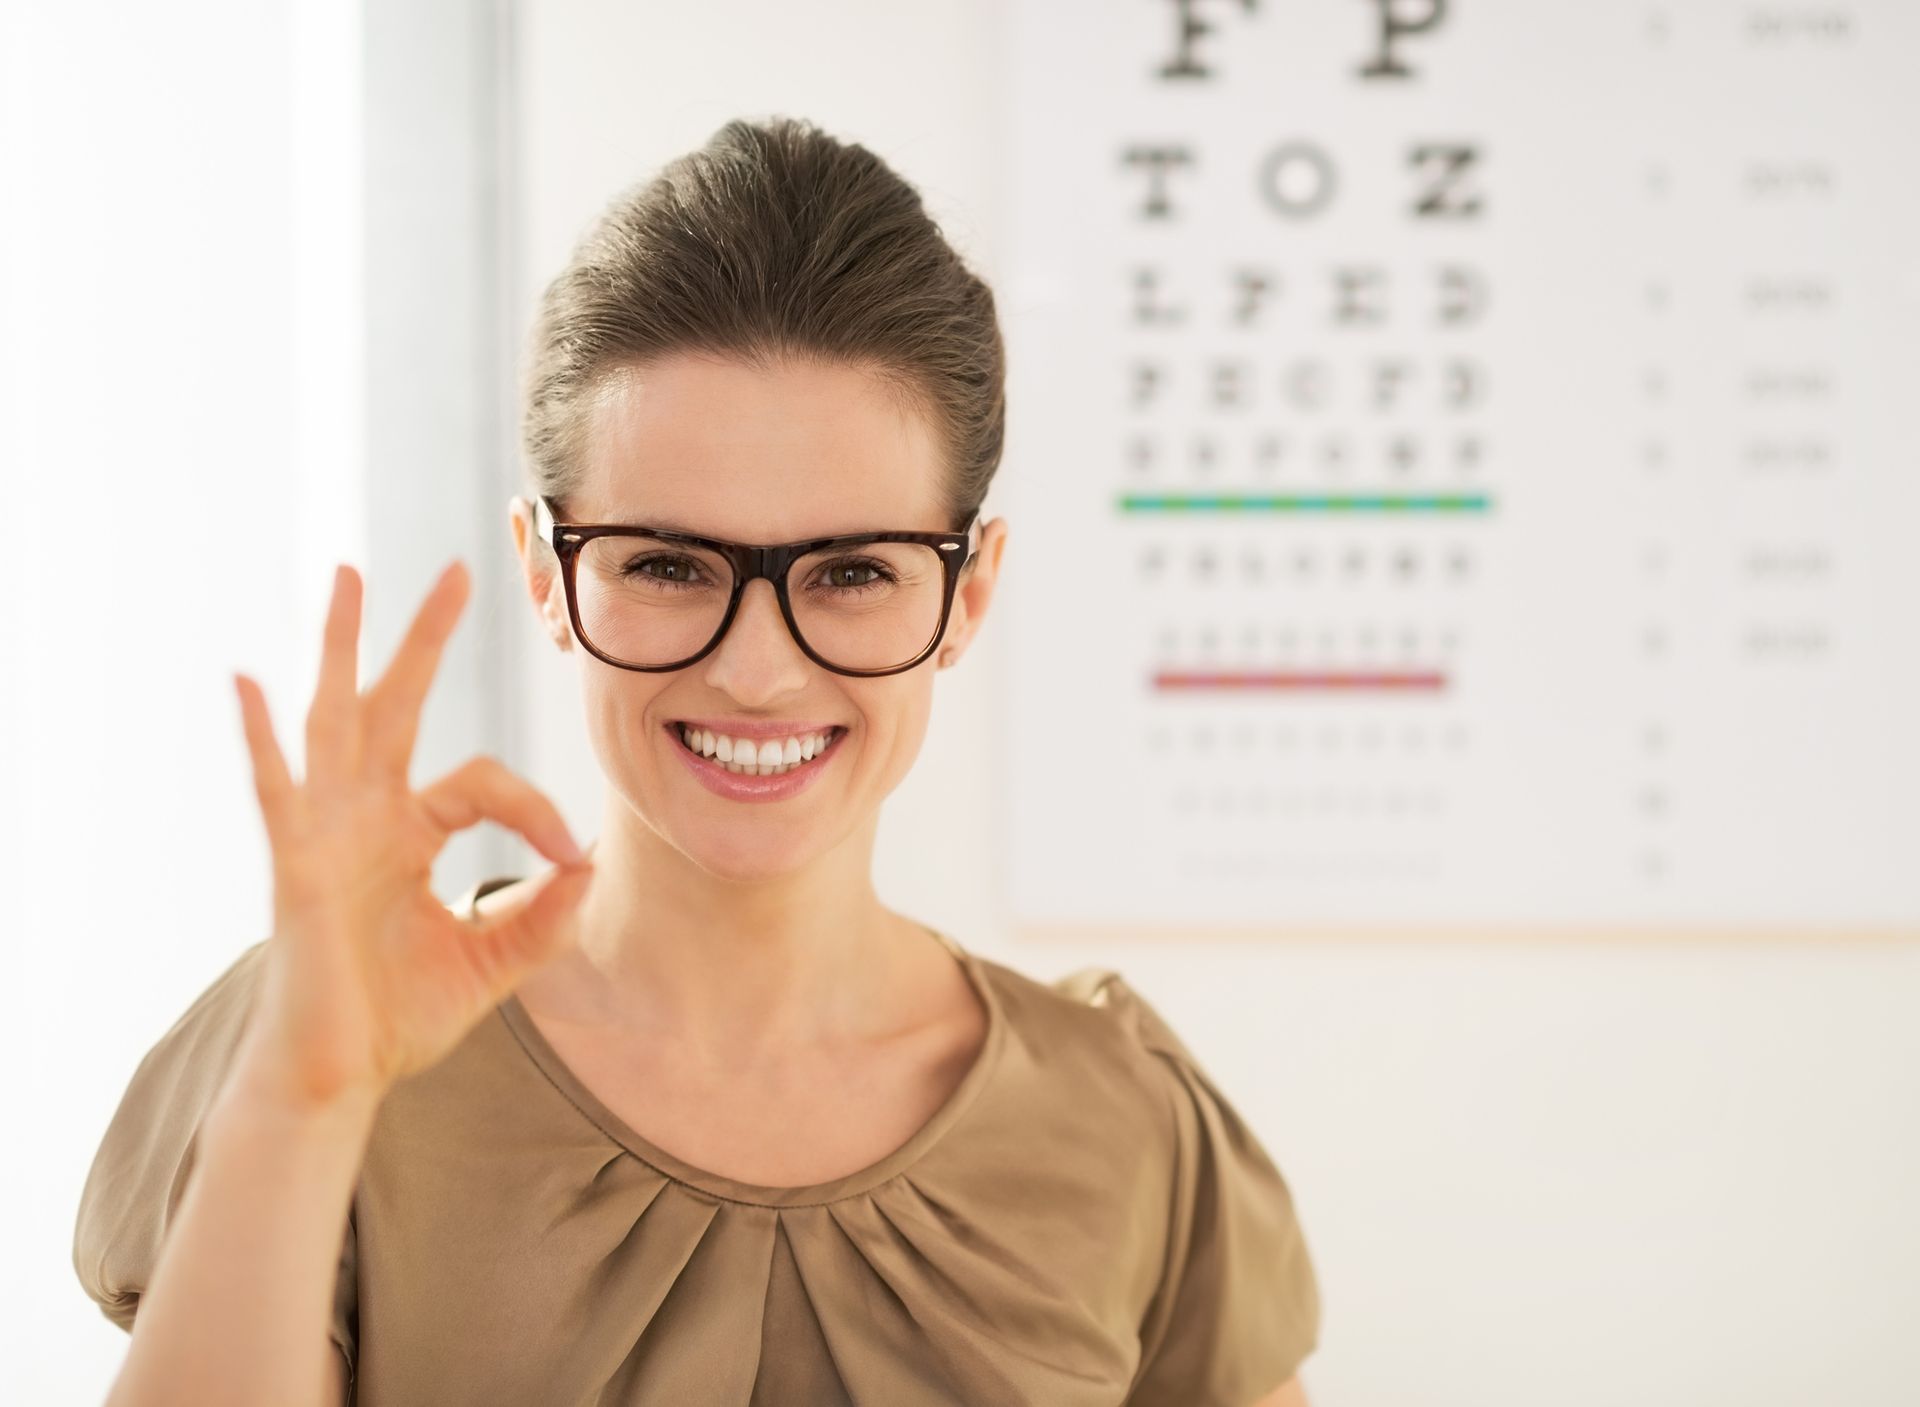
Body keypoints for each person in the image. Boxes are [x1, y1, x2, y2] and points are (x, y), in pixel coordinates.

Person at [70, 115, 1320, 1406]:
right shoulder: (324, 1037)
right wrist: (300, 1105)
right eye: (668, 565)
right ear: (546, 576)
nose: (758, 670)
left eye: (852, 573)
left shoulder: (1125, 1123)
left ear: (970, 591)